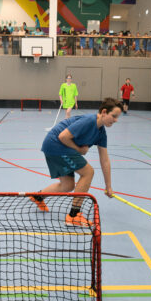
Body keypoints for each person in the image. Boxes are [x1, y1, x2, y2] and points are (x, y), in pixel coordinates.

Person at [30, 97, 122, 226]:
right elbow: (63, 136)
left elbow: (105, 160)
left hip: (59, 147)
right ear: (104, 112)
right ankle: (73, 216)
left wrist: (108, 186)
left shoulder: (101, 133)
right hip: (55, 144)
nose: (116, 120)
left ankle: (38, 197)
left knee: (67, 185)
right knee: (88, 172)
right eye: (114, 116)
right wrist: (79, 149)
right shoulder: (89, 121)